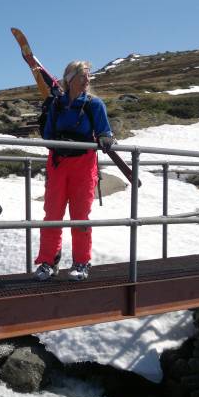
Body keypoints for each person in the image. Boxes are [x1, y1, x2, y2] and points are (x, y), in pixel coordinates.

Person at [34, 60, 115, 282]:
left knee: (80, 217)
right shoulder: (56, 104)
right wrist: (60, 144)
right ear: (70, 80)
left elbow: (104, 131)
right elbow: (48, 135)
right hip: (58, 164)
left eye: (88, 76)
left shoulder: (94, 104)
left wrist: (107, 137)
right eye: (82, 76)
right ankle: (48, 261)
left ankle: (81, 262)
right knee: (52, 215)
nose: (87, 80)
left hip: (83, 166)